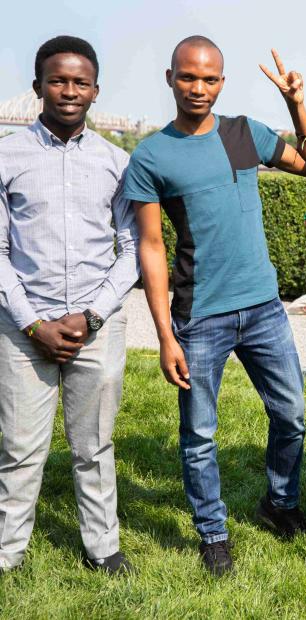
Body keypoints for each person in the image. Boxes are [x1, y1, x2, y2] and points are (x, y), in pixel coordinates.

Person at [123, 36, 306, 576]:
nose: (198, 88)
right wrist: (166, 336)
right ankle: (212, 532)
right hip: (199, 316)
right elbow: (152, 247)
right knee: (200, 434)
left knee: (293, 416)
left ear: (222, 83)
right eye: (188, 77)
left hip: (264, 308)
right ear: (170, 79)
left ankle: (279, 504)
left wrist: (295, 103)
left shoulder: (243, 133)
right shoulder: (151, 156)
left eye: (209, 79)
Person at [0, 36, 139, 574]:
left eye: (80, 82)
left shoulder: (117, 163)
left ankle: (102, 548)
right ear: (37, 87)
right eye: (58, 80)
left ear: (96, 91)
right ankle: (8, 552)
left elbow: (131, 251)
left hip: (95, 326)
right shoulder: (7, 156)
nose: (69, 91)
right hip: (21, 326)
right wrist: (32, 323)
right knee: (19, 448)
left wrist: (91, 314)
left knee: (95, 447)